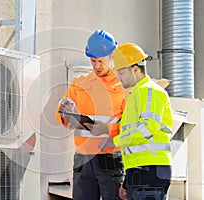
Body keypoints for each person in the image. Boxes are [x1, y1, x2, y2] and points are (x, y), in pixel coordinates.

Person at [89, 43, 173, 200]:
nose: (119, 78)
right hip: (140, 170)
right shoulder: (137, 94)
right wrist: (128, 181)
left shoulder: (149, 91)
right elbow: (133, 137)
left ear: (135, 69)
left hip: (150, 170)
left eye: (121, 73)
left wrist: (113, 142)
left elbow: (147, 129)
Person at [55, 29, 126, 200]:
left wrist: (104, 129)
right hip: (82, 159)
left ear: (112, 56)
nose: (96, 66)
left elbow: (128, 125)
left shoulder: (124, 86)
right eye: (93, 61)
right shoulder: (79, 84)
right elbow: (61, 115)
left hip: (111, 157)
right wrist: (66, 114)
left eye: (100, 61)